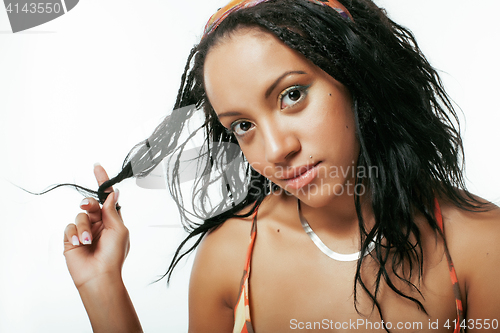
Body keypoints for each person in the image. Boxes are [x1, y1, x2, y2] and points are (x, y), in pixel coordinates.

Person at [62, 0, 500, 332]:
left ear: (357, 77)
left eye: (292, 95)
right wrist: (102, 287)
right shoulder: (231, 257)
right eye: (243, 125)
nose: (275, 149)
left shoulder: (481, 246)